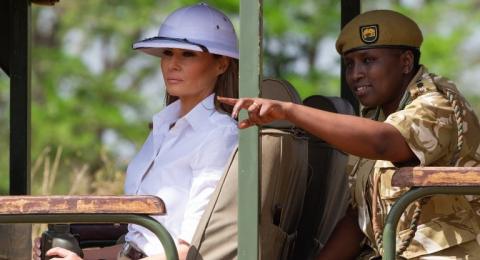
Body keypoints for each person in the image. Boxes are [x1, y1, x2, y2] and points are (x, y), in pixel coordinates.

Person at [219, 9, 480, 259]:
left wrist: (290, 111)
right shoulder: (376, 116)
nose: (355, 74)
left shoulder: (438, 104)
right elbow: (359, 218)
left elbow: (384, 142)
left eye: (368, 61)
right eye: (349, 64)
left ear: (405, 62)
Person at [33, 3, 239, 260]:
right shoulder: (162, 129)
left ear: (221, 64)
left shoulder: (219, 136)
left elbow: (191, 251)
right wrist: (77, 255)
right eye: (167, 52)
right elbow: (137, 245)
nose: (172, 64)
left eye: (187, 55)